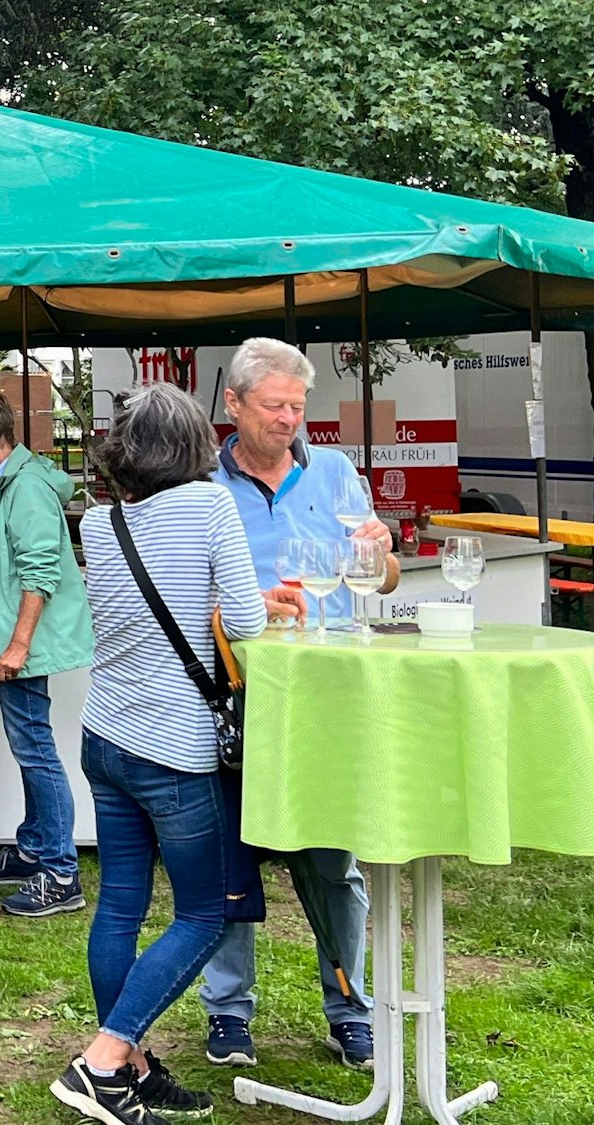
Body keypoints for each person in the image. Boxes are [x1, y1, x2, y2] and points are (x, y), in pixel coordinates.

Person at [49, 383, 302, 1124]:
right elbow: (249, 623)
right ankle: (102, 1060)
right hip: (175, 746)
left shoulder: (101, 521)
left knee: (121, 903)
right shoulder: (212, 505)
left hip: (106, 732)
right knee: (203, 914)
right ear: (194, 443)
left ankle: (128, 1062)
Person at [199, 337, 401, 1073]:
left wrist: (382, 554)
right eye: (274, 405)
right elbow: (187, 596)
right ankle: (228, 1013)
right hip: (238, 700)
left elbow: (384, 580)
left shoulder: (338, 474)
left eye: (298, 406)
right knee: (230, 858)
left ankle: (351, 1007)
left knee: (332, 862)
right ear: (234, 403)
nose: (289, 420)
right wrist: (243, 605)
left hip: (328, 701)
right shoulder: (204, 487)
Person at [0, 390, 95, 919]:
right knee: (31, 746)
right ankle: (36, 847)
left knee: (36, 750)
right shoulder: (1, 484)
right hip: (14, 641)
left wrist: (17, 645)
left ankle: (60, 872)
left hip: (22, 645)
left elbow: (41, 571)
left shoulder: (26, 487)